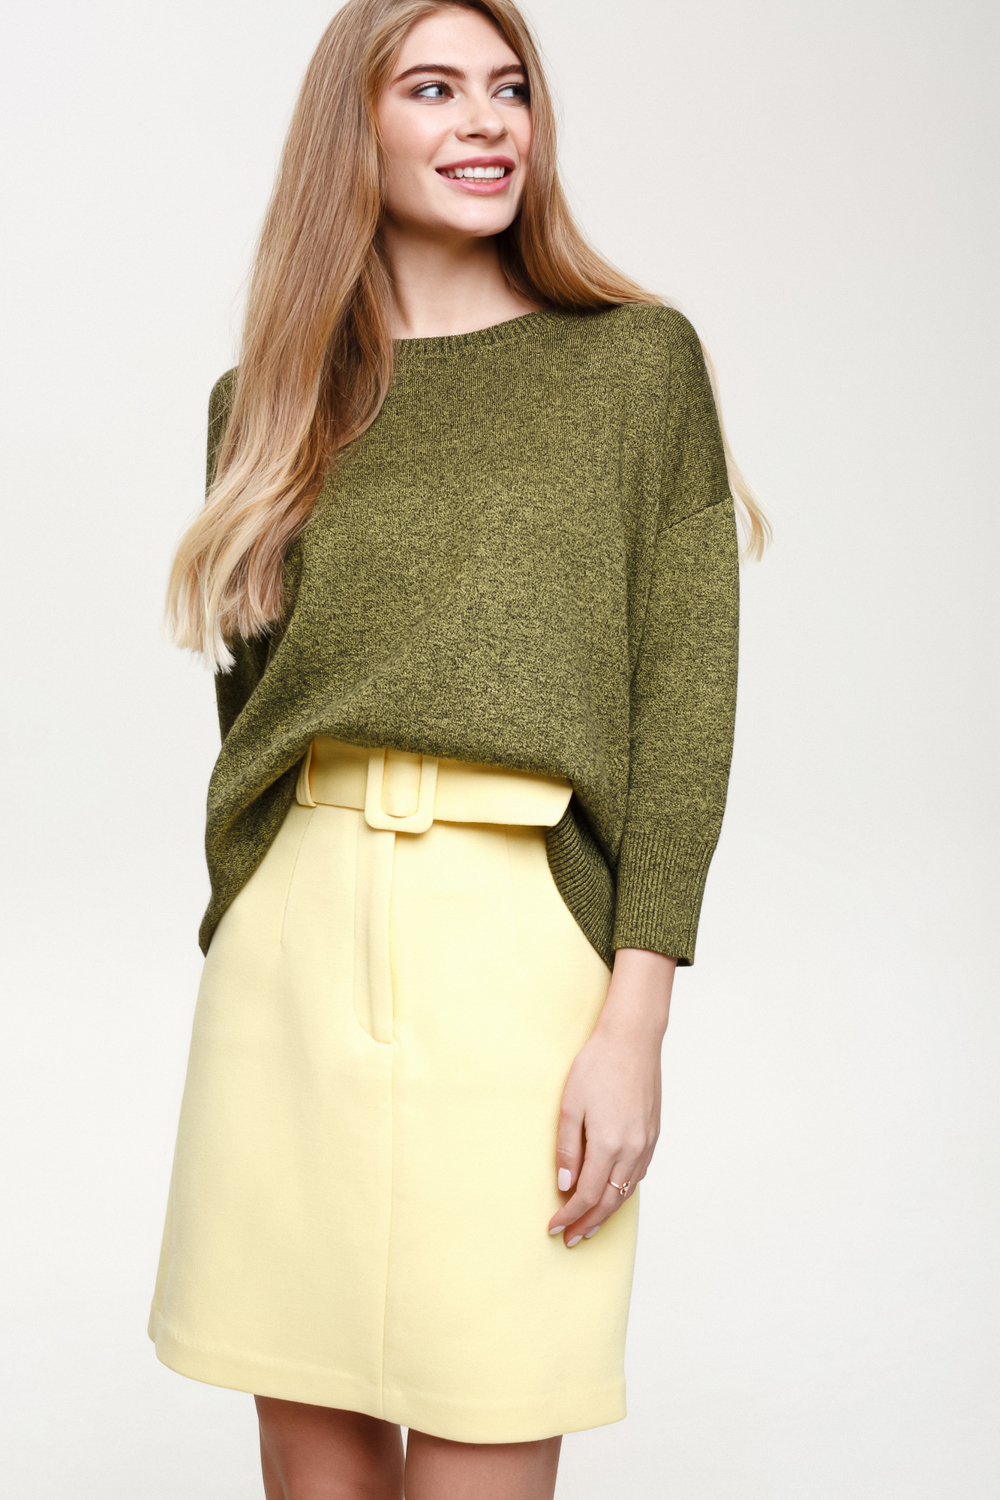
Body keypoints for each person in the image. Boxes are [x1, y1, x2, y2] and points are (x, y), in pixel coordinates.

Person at [150, 1, 766, 1495]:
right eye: (433, 87)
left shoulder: (635, 367)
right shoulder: (266, 405)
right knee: (311, 1460)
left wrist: (635, 1021)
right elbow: (255, 715)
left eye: (510, 88)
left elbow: (686, 700)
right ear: (352, 129)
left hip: (521, 950)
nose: (487, 121)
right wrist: (246, 921)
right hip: (294, 960)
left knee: (494, 1418)